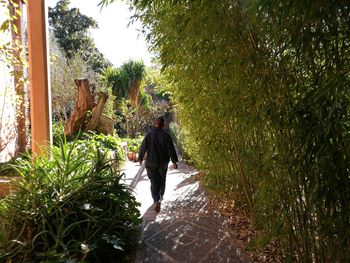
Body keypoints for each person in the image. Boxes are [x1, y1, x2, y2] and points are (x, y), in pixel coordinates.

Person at [138, 117, 178, 213]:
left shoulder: (149, 135)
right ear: (163, 125)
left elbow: (143, 147)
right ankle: (159, 199)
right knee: (162, 180)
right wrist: (174, 161)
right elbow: (171, 149)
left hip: (151, 163)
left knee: (153, 182)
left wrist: (140, 158)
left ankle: (156, 200)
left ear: (154, 124)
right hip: (162, 163)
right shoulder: (166, 136)